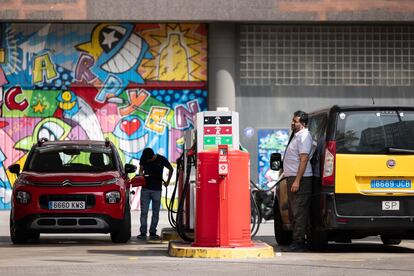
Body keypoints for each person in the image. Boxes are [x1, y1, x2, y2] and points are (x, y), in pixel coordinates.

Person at [283, 110, 314, 251]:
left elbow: (304, 159)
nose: (293, 123)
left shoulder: (304, 137)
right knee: (295, 211)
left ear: (303, 124)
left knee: (299, 212)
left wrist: (297, 180)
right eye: (293, 121)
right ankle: (297, 241)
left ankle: (299, 242)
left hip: (301, 180)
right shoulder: (297, 136)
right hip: (293, 178)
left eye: (295, 122)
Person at [137, 148, 173, 240]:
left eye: (149, 159)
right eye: (146, 159)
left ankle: (153, 232)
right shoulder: (143, 158)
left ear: (153, 156)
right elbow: (141, 170)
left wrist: (167, 182)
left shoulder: (161, 159)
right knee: (144, 212)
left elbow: (171, 169)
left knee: (155, 212)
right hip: (145, 189)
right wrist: (141, 176)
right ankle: (143, 233)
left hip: (157, 189)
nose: (147, 161)